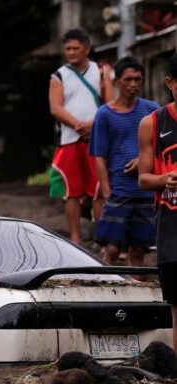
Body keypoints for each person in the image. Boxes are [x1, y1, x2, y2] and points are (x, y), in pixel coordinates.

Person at [90, 57, 159, 267]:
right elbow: (98, 156)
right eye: (128, 79)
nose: (133, 84)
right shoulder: (104, 114)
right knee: (111, 248)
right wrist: (107, 191)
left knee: (139, 249)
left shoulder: (152, 109)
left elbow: (163, 146)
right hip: (119, 189)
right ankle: (105, 291)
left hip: (146, 189)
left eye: (138, 79)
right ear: (117, 81)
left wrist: (144, 160)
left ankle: (137, 294)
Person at [48, 28, 113, 244]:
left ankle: (99, 238)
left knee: (98, 190)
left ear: (87, 48)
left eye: (76, 48)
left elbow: (110, 103)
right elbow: (55, 108)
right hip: (68, 140)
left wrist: (93, 124)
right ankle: (75, 238)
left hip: (97, 139)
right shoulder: (59, 75)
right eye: (68, 48)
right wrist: (78, 125)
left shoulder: (102, 71)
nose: (71, 52)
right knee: (72, 192)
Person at [138, 52, 177, 355]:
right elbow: (143, 178)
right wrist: (166, 180)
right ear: (170, 83)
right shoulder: (153, 123)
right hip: (171, 228)